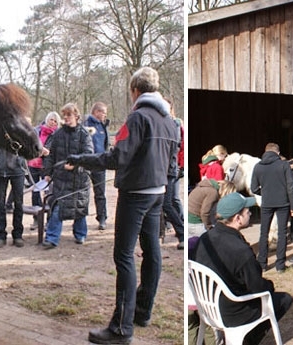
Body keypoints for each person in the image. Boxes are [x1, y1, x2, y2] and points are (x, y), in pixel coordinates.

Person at [65, 67, 179, 344]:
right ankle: (142, 312)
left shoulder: (137, 117)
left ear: (135, 91)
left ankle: (121, 328)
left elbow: (117, 158)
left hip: (136, 194)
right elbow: (173, 164)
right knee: (152, 251)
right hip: (157, 193)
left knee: (124, 256)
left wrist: (80, 159)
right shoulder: (170, 121)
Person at [193, 192, 293, 345]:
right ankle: (247, 340)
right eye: (247, 211)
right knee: (284, 299)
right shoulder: (240, 251)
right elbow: (258, 289)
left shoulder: (205, 238)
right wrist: (270, 286)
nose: (251, 213)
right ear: (238, 218)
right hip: (232, 311)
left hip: (207, 306)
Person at [41, 103, 93, 249]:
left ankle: (80, 234)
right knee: (57, 207)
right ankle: (52, 238)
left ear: (76, 116)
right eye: (64, 115)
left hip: (79, 180)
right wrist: (47, 173)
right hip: (61, 179)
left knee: (79, 208)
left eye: (69, 115)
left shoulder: (84, 134)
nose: (66, 118)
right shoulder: (58, 134)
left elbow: (89, 155)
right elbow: (51, 156)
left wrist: (76, 165)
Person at [251, 142, 293, 273]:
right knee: (282, 233)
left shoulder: (258, 166)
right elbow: (291, 186)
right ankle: (280, 265)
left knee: (263, 233)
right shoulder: (284, 165)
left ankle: (262, 263)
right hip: (283, 202)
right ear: (277, 153)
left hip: (266, 203)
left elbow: (253, 188)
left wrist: (264, 193)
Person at [26, 111, 59, 230]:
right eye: (51, 119)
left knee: (49, 194)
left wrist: (44, 150)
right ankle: (36, 219)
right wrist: (41, 150)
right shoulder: (36, 131)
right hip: (33, 165)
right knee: (35, 193)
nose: (53, 122)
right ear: (47, 119)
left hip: (47, 167)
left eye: (55, 121)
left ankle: (49, 221)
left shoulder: (56, 135)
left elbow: (51, 151)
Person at [161, 98, 184, 249]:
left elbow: (174, 148)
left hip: (169, 169)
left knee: (167, 203)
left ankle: (181, 233)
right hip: (162, 169)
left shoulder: (174, 124)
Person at [0, 149, 28, 248]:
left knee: (18, 204)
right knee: (0, 204)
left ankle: (17, 235)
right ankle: (0, 236)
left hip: (18, 169)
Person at [83, 102, 110, 230]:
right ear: (96, 112)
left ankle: (102, 217)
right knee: (84, 192)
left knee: (100, 193)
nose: (104, 115)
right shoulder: (86, 123)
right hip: (88, 163)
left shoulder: (103, 126)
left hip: (100, 163)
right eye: (103, 112)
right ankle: (81, 220)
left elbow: (105, 144)